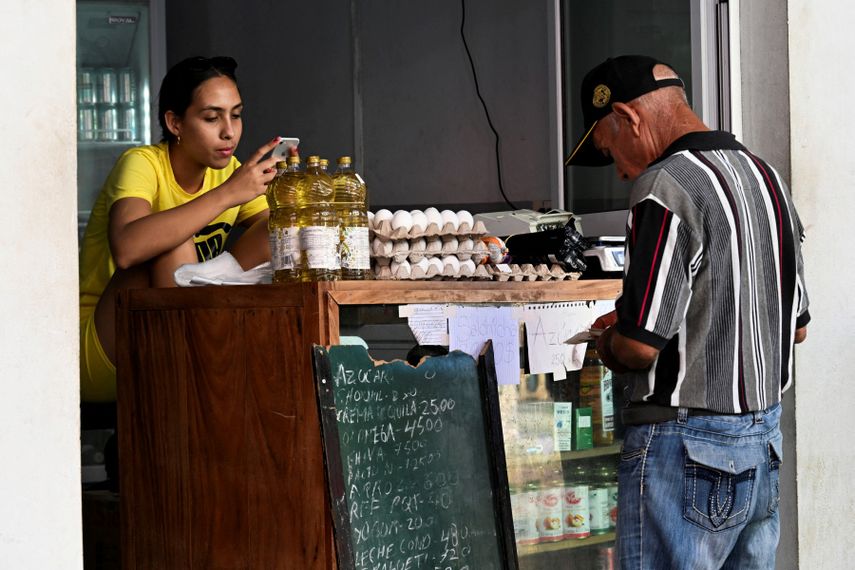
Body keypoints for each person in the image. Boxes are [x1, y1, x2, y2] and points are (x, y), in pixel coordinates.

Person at [567, 55, 810, 569]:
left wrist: (606, 341)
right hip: (764, 442)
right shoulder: (767, 180)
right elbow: (798, 326)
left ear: (631, 117)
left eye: (613, 152)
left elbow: (638, 346)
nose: (621, 169)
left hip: (685, 449)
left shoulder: (665, 185)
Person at [79, 56, 284, 402]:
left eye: (235, 115)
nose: (229, 131)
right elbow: (127, 249)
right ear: (175, 123)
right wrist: (227, 194)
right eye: (211, 117)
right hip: (104, 346)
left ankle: (225, 358)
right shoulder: (142, 164)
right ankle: (210, 380)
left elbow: (270, 239)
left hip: (181, 336)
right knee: (172, 247)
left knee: (276, 233)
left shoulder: (228, 169)